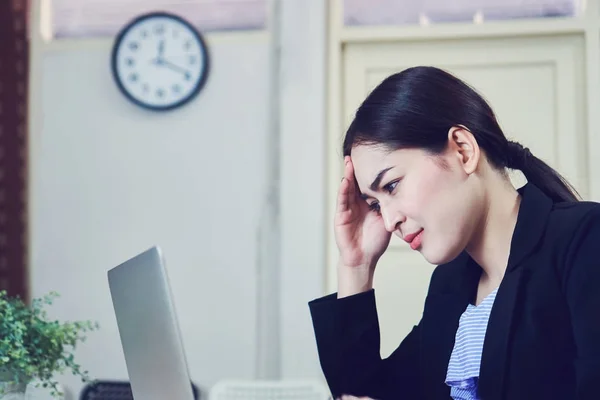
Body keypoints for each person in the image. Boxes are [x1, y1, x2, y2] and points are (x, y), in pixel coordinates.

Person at [308, 66, 600, 400]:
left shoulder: (585, 239)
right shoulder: (450, 286)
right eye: (374, 204)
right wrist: (356, 265)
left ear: (463, 149)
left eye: (392, 185)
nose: (388, 221)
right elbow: (363, 394)